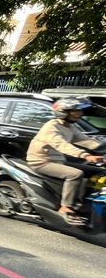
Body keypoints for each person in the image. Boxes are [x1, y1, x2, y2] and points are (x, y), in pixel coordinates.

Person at [26, 97, 104, 226]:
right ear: (64, 112)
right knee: (75, 174)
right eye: (75, 111)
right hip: (41, 162)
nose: (80, 113)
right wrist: (85, 155)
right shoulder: (51, 127)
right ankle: (65, 206)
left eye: (79, 111)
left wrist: (100, 147)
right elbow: (61, 145)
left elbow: (85, 140)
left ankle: (81, 201)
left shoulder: (70, 127)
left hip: (58, 161)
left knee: (99, 171)